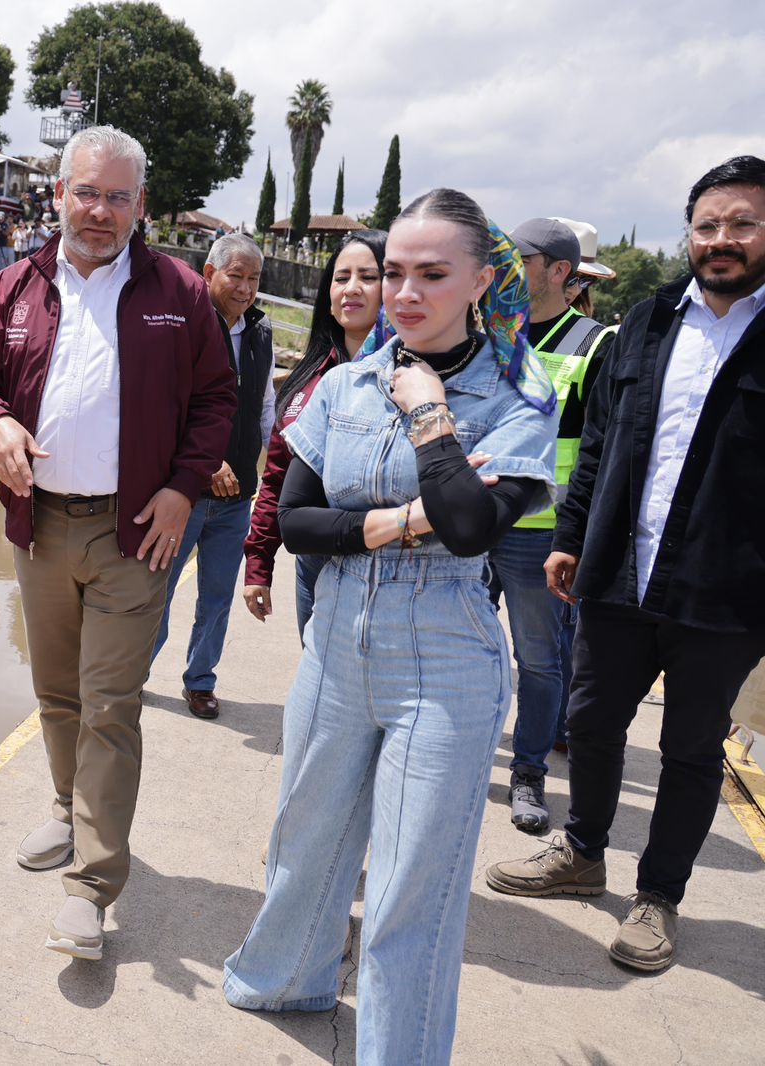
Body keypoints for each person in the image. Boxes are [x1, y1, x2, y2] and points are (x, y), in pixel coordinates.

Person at [223, 188, 559, 1066]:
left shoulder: (521, 396)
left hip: (445, 663)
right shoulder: (342, 384)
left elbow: (475, 529)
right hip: (335, 646)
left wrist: (428, 415)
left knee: (416, 884)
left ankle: (398, 1050)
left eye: (432, 274)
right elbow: (298, 523)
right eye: (395, 272)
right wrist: (403, 520)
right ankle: (285, 977)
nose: (404, 293)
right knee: (308, 835)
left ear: (482, 280)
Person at [0, 125, 235, 963]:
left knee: (111, 704)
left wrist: (184, 488)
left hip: (132, 533)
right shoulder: (13, 287)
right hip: (38, 529)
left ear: (140, 205)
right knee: (56, 693)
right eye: (87, 192)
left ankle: (91, 886)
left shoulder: (178, 293)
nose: (100, 211)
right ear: (58, 194)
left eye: (118, 197)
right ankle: (66, 804)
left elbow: (218, 398)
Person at [485, 156, 765, 973]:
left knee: (689, 749)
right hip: (617, 572)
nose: (722, 240)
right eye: (708, 224)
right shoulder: (646, 322)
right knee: (595, 722)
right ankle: (582, 853)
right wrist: (572, 536)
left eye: (742, 223)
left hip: (725, 592)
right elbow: (600, 442)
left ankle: (659, 897)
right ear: (689, 234)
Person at [481, 217, 615, 833]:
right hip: (471, 521)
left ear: (559, 270)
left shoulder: (593, 344)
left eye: (521, 259)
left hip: (539, 533)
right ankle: (460, 750)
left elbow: (601, 449)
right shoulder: (485, 329)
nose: (507, 268)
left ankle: (528, 773)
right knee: (451, 640)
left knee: (538, 660)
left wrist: (576, 538)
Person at [151, 233, 272, 720]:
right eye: (235, 275)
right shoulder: (182, 328)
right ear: (208, 273)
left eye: (253, 279)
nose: (245, 288)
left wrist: (275, 468)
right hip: (184, 494)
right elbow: (163, 408)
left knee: (218, 594)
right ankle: (131, 673)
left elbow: (265, 408)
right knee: (155, 592)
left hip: (237, 497)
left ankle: (200, 681)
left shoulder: (260, 334)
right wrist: (205, 462)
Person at [242, 231, 386, 641]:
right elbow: (275, 478)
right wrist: (259, 565)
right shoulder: (307, 379)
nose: (351, 289)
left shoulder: (415, 378)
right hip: (311, 564)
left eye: (368, 276)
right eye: (341, 278)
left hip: (382, 569)